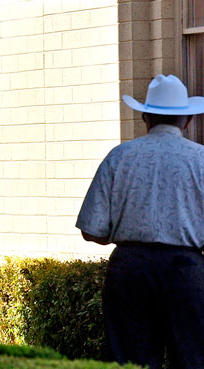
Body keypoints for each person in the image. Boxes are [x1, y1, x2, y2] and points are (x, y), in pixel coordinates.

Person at [76, 75, 204, 369]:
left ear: (145, 117)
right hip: (186, 270)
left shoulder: (120, 157)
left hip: (129, 269)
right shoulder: (201, 160)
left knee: (133, 361)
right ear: (185, 120)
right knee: (193, 358)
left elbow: (91, 230)